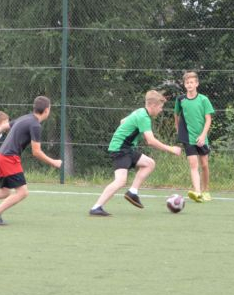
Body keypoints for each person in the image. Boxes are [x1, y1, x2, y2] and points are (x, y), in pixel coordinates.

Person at [0, 96, 61, 226]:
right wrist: (53, 162)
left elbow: (3, 127)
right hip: (9, 159)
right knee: (22, 192)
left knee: (5, 191)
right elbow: (36, 151)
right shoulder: (35, 125)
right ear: (47, 110)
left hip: (2, 156)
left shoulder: (25, 118)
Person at [89, 90, 182, 216]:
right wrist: (171, 149)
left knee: (149, 163)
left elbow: (123, 121)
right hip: (120, 149)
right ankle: (96, 207)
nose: (161, 110)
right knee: (120, 181)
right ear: (153, 105)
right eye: (160, 107)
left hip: (126, 148)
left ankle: (132, 192)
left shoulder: (140, 111)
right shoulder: (144, 117)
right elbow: (150, 141)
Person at [174, 71, 215, 203]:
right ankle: (197, 192)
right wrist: (178, 129)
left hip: (201, 137)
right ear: (184, 84)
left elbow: (208, 119)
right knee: (193, 164)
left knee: (204, 165)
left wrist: (203, 135)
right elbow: (176, 114)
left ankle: (205, 190)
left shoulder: (204, 100)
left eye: (192, 82)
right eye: (187, 82)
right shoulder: (181, 100)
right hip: (187, 137)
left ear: (197, 84)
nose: (189, 84)